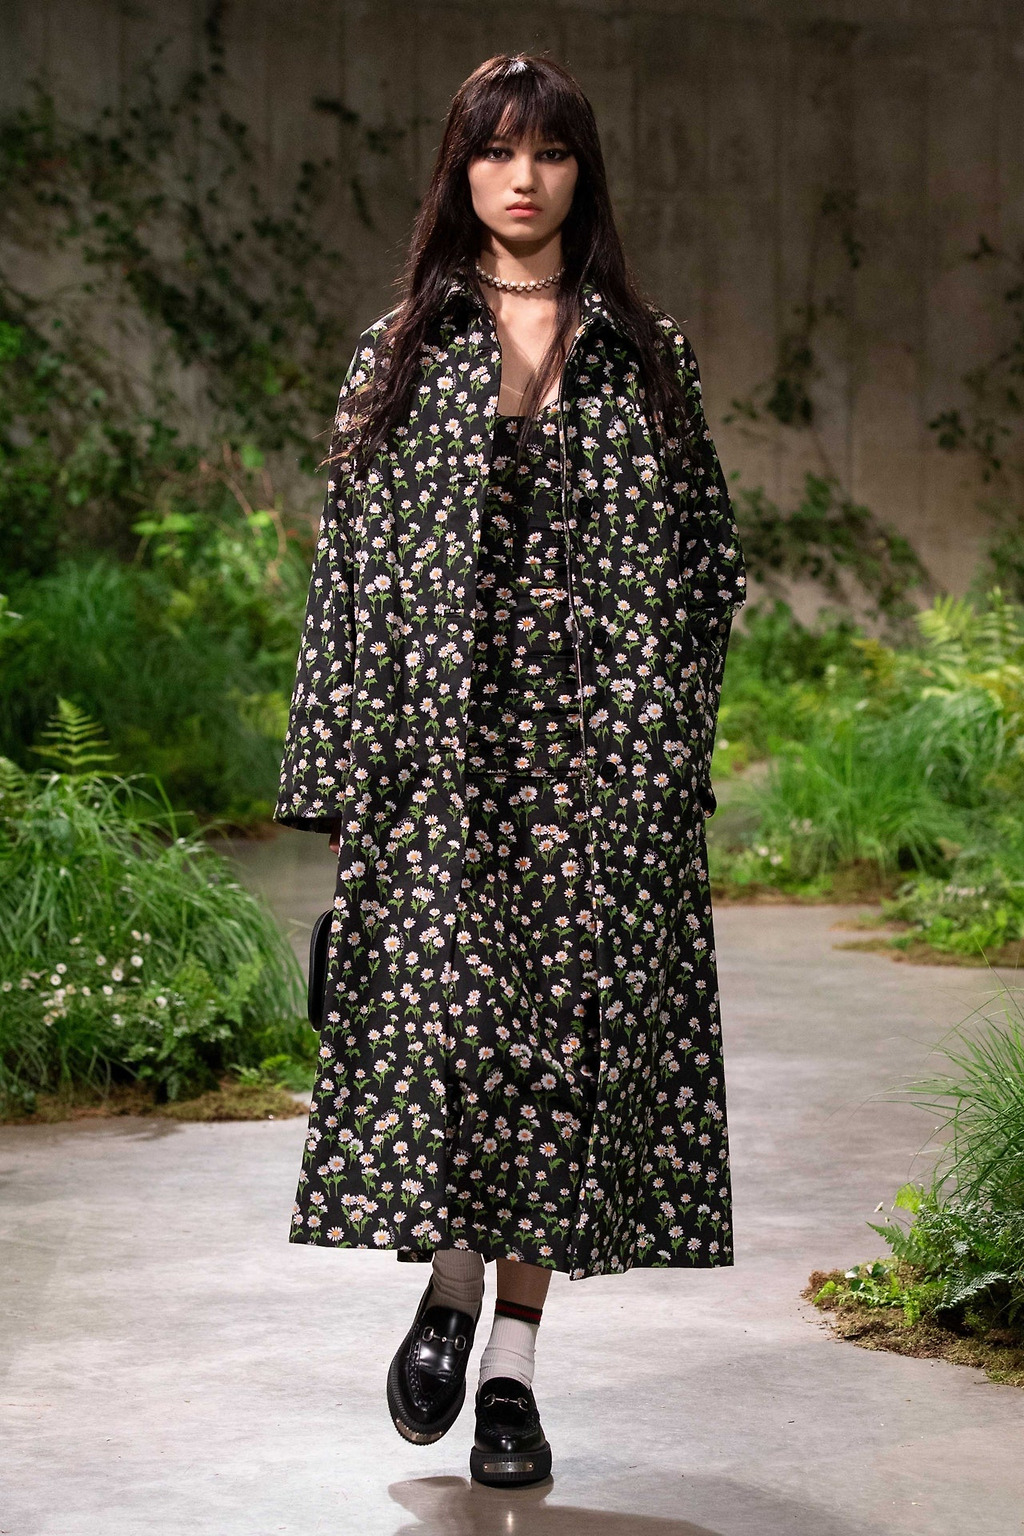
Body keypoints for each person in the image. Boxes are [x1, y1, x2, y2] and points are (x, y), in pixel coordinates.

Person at [275, 51, 745, 1488]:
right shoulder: (400, 351)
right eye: (496, 151)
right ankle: (447, 1285)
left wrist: (668, 743)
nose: (523, 177)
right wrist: (339, 777)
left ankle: (512, 1373)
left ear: (581, 172)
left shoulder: (647, 356)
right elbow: (349, 582)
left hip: (600, 774)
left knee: (567, 1061)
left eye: (548, 152)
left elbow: (707, 565)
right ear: (461, 172)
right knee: (457, 1045)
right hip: (440, 768)